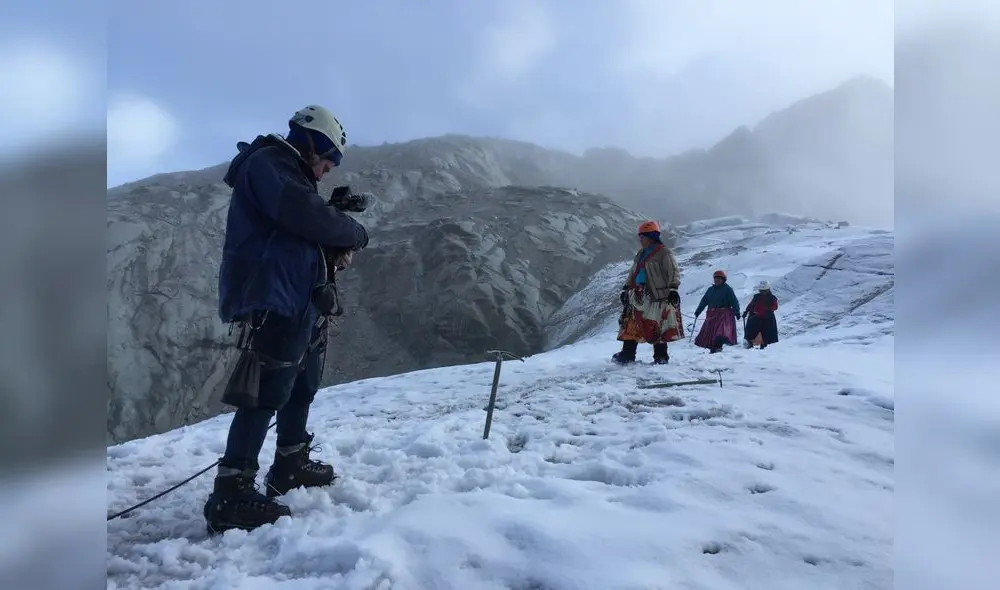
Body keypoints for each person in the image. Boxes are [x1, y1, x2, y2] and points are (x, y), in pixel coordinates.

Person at [204, 105, 370, 535]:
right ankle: (231, 490)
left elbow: (299, 223)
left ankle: (290, 463)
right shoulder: (269, 163)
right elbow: (306, 216)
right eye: (331, 156)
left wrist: (330, 225)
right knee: (266, 389)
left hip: (300, 298)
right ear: (313, 140)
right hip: (275, 296)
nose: (330, 167)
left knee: (302, 382)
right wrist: (352, 231)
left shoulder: (289, 171)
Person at [612, 220, 683, 365]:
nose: (640, 240)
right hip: (638, 294)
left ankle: (661, 357)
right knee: (631, 323)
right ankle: (627, 354)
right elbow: (633, 272)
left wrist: (673, 289)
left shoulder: (664, 253)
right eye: (640, 237)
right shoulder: (641, 253)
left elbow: (673, 271)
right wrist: (626, 288)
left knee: (657, 325)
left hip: (657, 296)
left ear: (651, 236)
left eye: (642, 237)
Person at [693, 270, 741, 353]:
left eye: (719, 278)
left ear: (723, 279)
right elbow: (704, 301)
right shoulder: (710, 290)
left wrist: (737, 312)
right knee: (711, 333)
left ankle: (718, 347)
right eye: (716, 278)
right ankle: (713, 348)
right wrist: (698, 311)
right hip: (711, 314)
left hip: (723, 314)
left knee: (720, 332)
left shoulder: (727, 289)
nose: (717, 280)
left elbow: (734, 301)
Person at [742, 280, 779, 349]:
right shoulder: (756, 297)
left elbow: (775, 306)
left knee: (767, 334)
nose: (762, 292)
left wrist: (768, 309)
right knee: (751, 331)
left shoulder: (772, 298)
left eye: (764, 290)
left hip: (768, 318)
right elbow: (751, 305)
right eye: (761, 290)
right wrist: (746, 311)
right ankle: (749, 344)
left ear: (768, 290)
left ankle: (765, 347)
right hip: (756, 317)